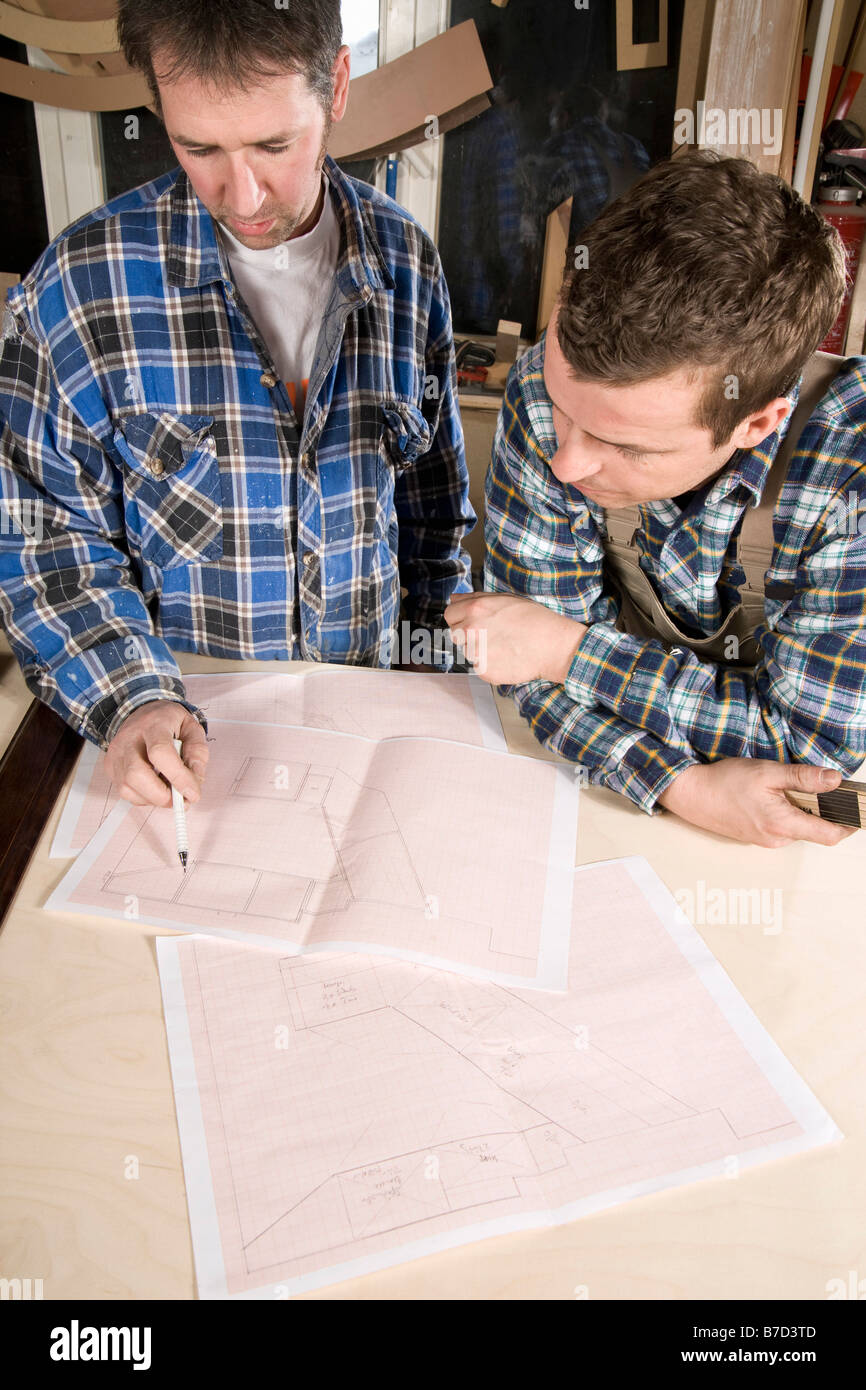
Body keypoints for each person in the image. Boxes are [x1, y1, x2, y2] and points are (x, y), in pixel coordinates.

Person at [0, 0, 474, 811]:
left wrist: (438, 686)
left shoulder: (407, 264)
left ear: (337, 85)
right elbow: (45, 541)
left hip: (373, 749)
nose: (243, 192)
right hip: (189, 755)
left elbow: (432, 519)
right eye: (199, 147)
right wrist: (133, 699)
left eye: (273, 144)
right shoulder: (79, 290)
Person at [446, 152, 866, 848]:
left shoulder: (850, 471)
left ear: (754, 422)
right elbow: (519, 660)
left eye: (628, 447)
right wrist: (678, 784)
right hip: (636, 812)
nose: (567, 459)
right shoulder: (543, 388)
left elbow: (808, 755)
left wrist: (570, 651)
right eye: (562, 407)